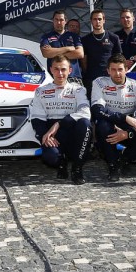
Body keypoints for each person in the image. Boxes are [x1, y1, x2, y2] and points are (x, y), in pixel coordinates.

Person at [31, 54, 92, 184]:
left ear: (70, 70)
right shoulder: (41, 91)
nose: (60, 73)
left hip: (72, 131)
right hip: (53, 135)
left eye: (63, 69)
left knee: (85, 124)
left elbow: (85, 112)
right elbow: (37, 119)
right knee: (51, 157)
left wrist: (59, 123)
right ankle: (61, 163)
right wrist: (45, 136)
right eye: (56, 69)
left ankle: (77, 168)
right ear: (51, 70)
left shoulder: (79, 90)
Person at [91, 54, 136, 181]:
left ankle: (122, 159)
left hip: (129, 124)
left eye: (120, 69)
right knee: (103, 126)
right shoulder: (99, 83)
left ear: (126, 69)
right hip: (109, 121)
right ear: (108, 70)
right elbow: (98, 110)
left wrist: (128, 133)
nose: (117, 73)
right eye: (113, 70)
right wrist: (124, 118)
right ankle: (112, 166)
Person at [80, 9, 122, 96]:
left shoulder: (114, 38)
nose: (97, 22)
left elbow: (118, 59)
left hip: (110, 77)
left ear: (104, 20)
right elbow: (84, 61)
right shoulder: (85, 40)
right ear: (91, 21)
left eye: (99, 19)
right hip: (91, 79)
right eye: (94, 19)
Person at [40, 10, 84, 81]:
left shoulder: (74, 36)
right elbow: (46, 53)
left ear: (66, 21)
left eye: (61, 20)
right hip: (54, 77)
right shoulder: (46, 37)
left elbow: (80, 53)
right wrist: (68, 48)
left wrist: (54, 52)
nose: (59, 22)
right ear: (53, 21)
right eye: (56, 20)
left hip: (73, 76)